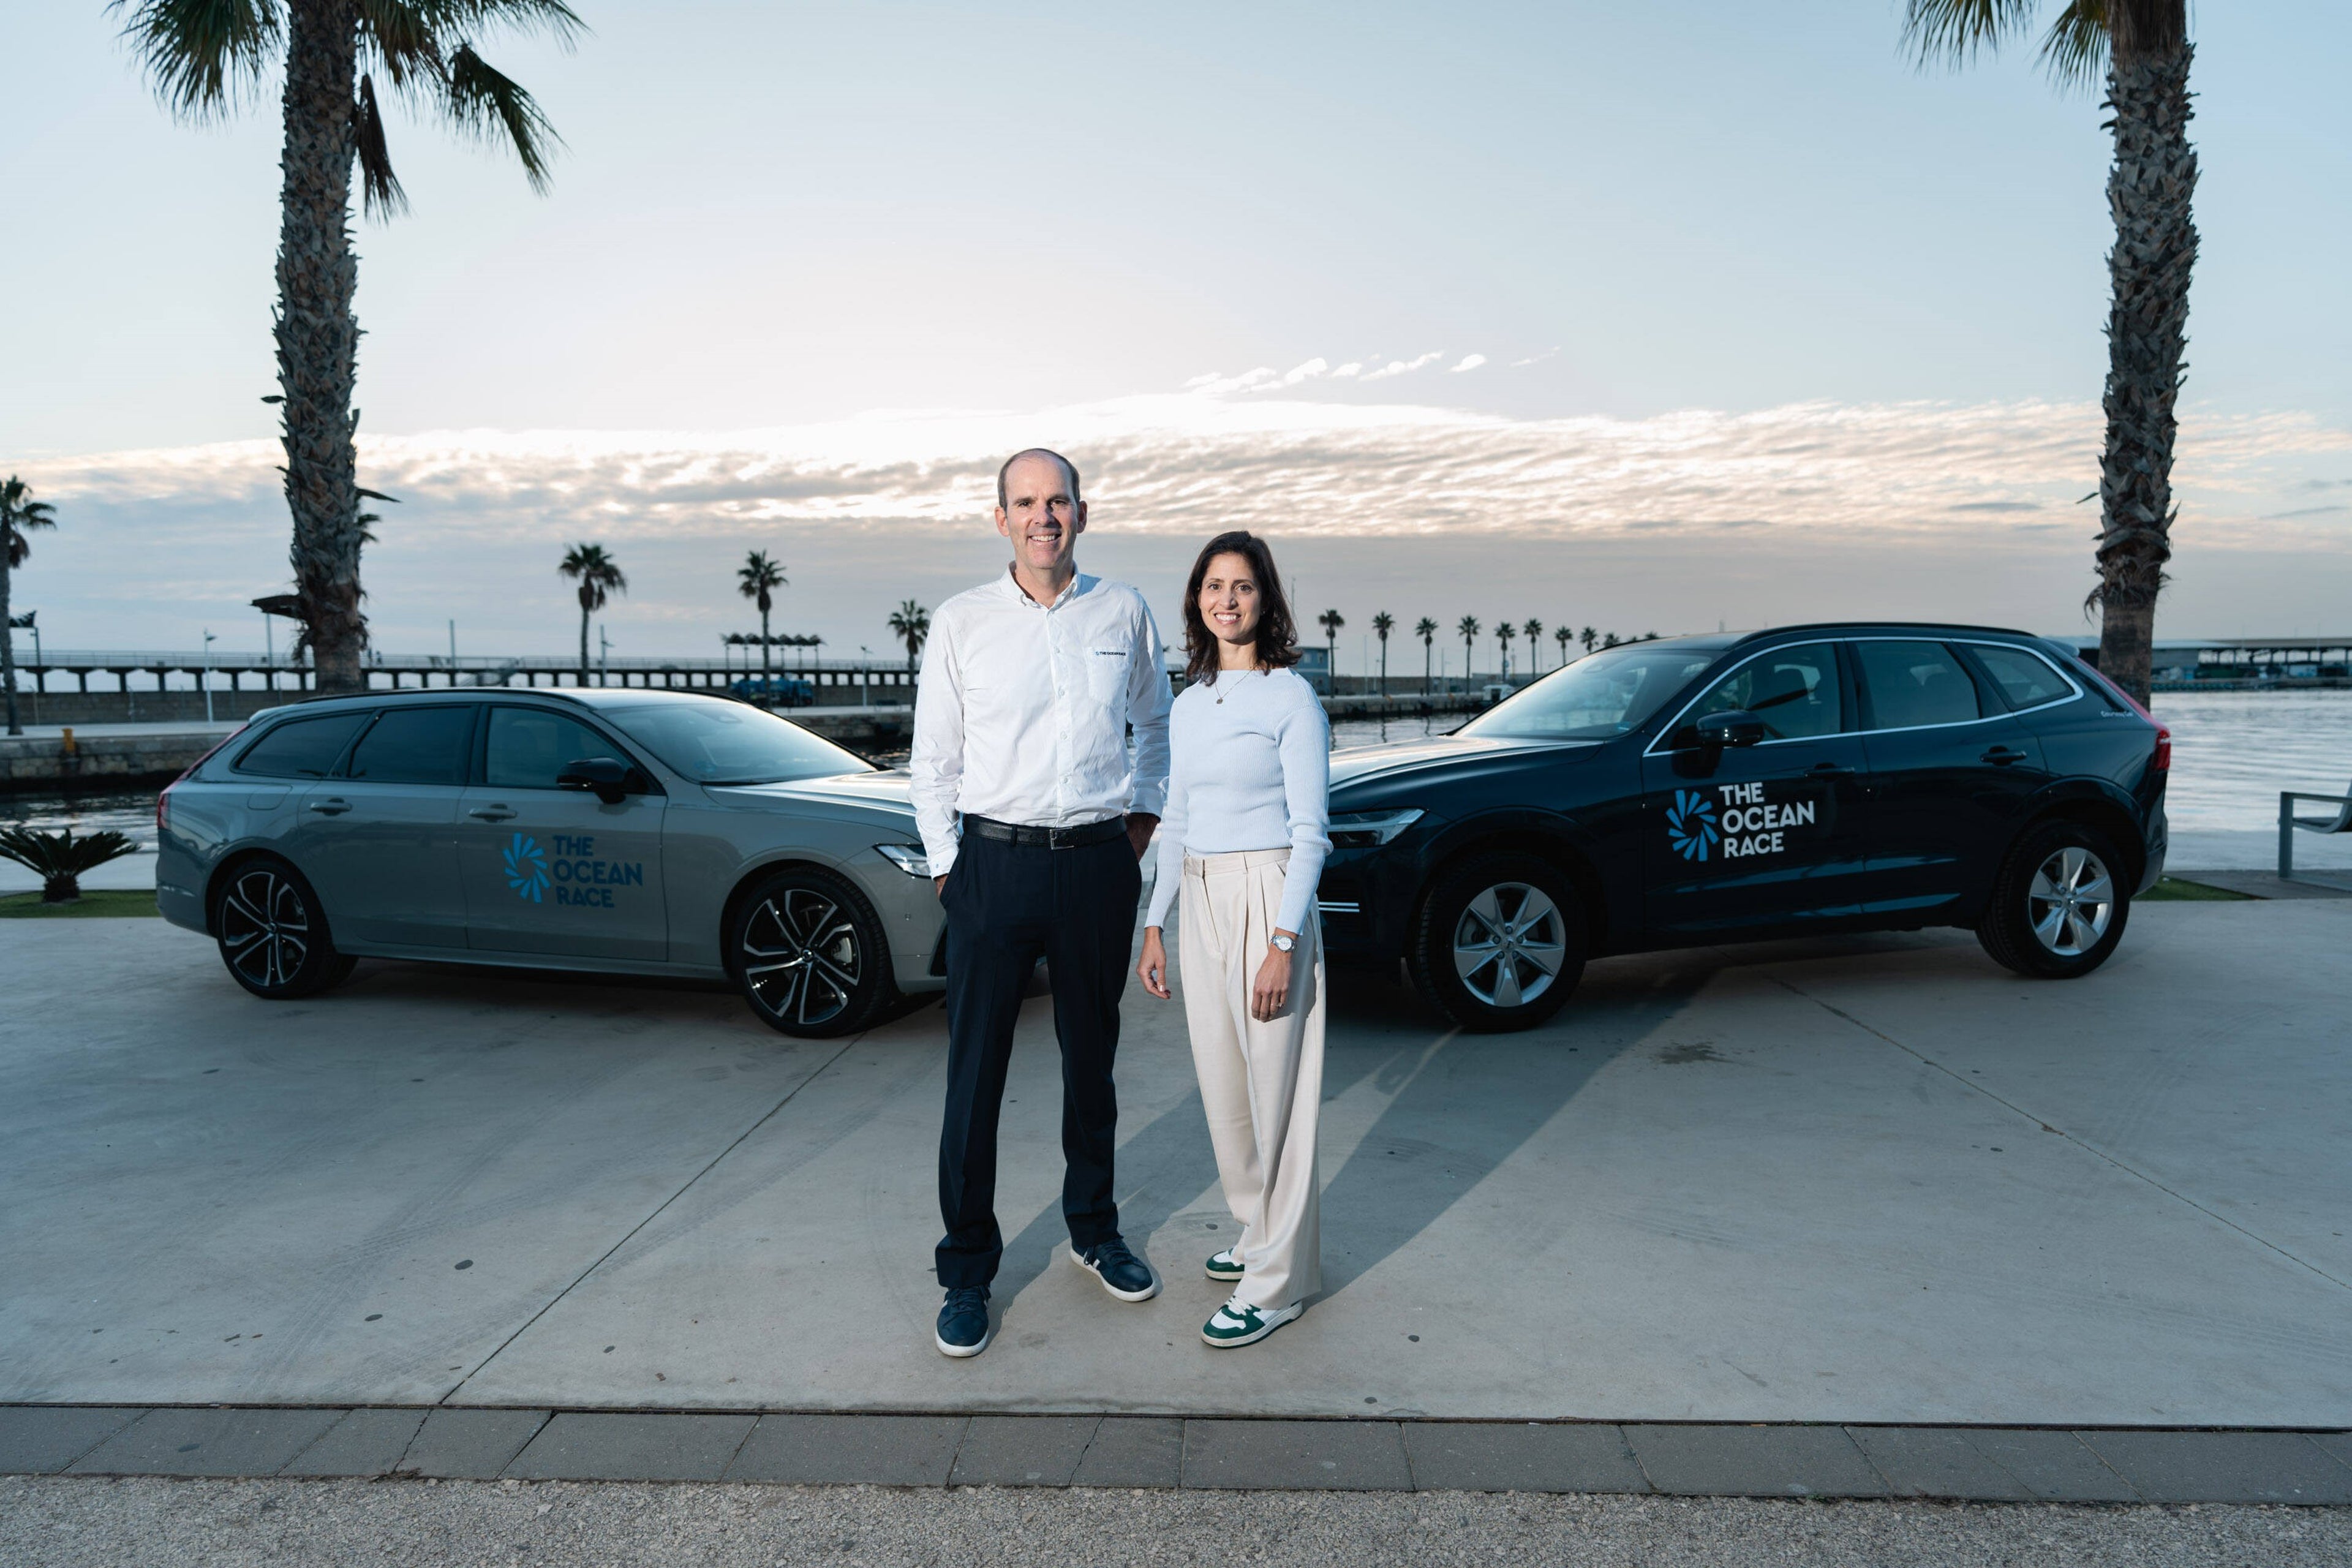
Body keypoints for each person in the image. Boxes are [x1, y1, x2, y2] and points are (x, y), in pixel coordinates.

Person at [910, 447, 1173, 1359]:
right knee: (974, 1076)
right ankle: (966, 1273)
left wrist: (1137, 828)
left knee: (1090, 1062)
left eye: (1056, 500)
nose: (1042, 516)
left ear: (1082, 513)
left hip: (1096, 863)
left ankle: (1094, 1231)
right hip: (995, 866)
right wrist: (952, 869)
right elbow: (934, 761)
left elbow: (1156, 728)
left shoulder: (1123, 610)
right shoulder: (962, 623)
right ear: (1002, 519)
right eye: (1025, 502)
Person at [1136, 530, 1330, 1348]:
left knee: (1277, 1093)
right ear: (1198, 601)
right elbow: (1177, 820)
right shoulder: (1189, 704)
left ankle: (1280, 1282)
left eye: (1242, 586)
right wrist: (1154, 922)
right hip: (1202, 896)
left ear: (1266, 599)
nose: (1227, 599)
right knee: (1225, 1089)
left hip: (1268, 895)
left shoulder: (1291, 698)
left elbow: (1314, 832)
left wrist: (1282, 940)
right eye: (1214, 585)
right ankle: (1258, 1232)